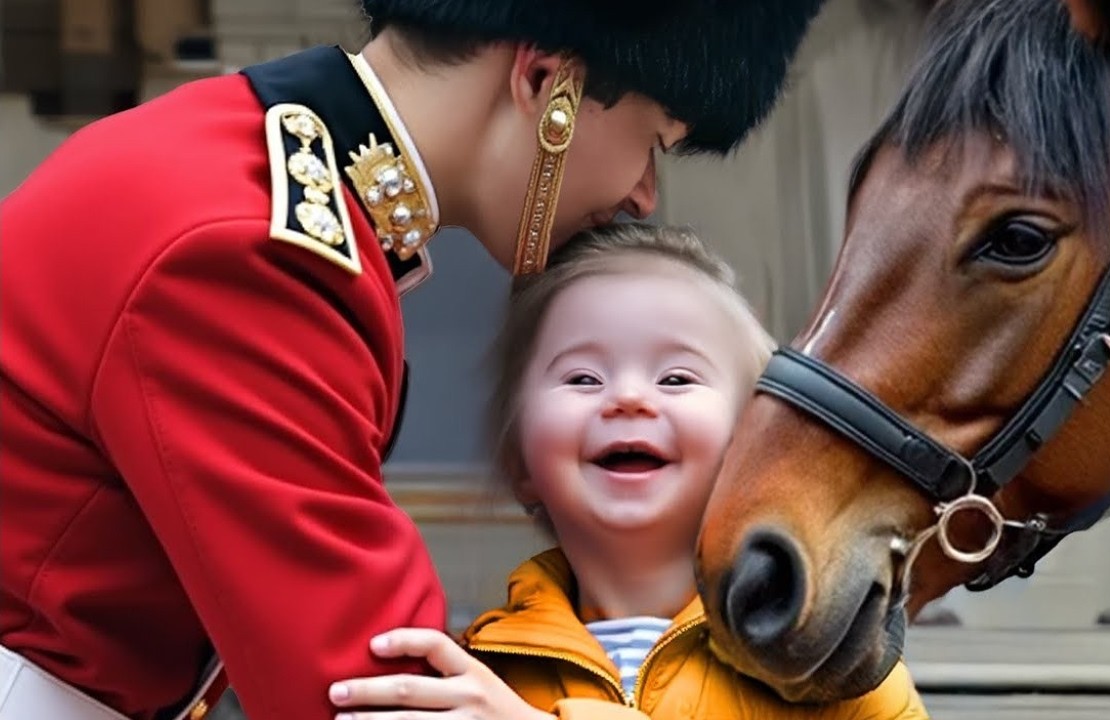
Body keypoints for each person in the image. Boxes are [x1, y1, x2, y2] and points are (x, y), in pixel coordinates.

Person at [0, 1, 828, 718]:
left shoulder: (247, 175)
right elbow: (372, 696)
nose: (645, 193)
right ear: (549, 82)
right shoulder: (252, 249)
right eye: (655, 141)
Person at [326, 223, 929, 719]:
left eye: (677, 377)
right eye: (583, 377)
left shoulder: (829, 670)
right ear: (521, 464)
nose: (629, 398)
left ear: (754, 448)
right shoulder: (474, 677)